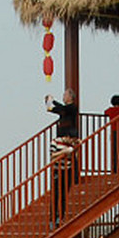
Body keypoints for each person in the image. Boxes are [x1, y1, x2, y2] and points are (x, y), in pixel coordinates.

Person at [48, 94, 81, 227]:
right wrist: (50, 103)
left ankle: (59, 217)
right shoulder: (57, 142)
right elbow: (53, 109)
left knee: (63, 194)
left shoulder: (72, 108)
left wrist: (53, 102)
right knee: (56, 194)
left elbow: (62, 109)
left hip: (67, 169)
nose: (63, 97)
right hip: (57, 170)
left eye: (65, 95)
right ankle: (53, 218)